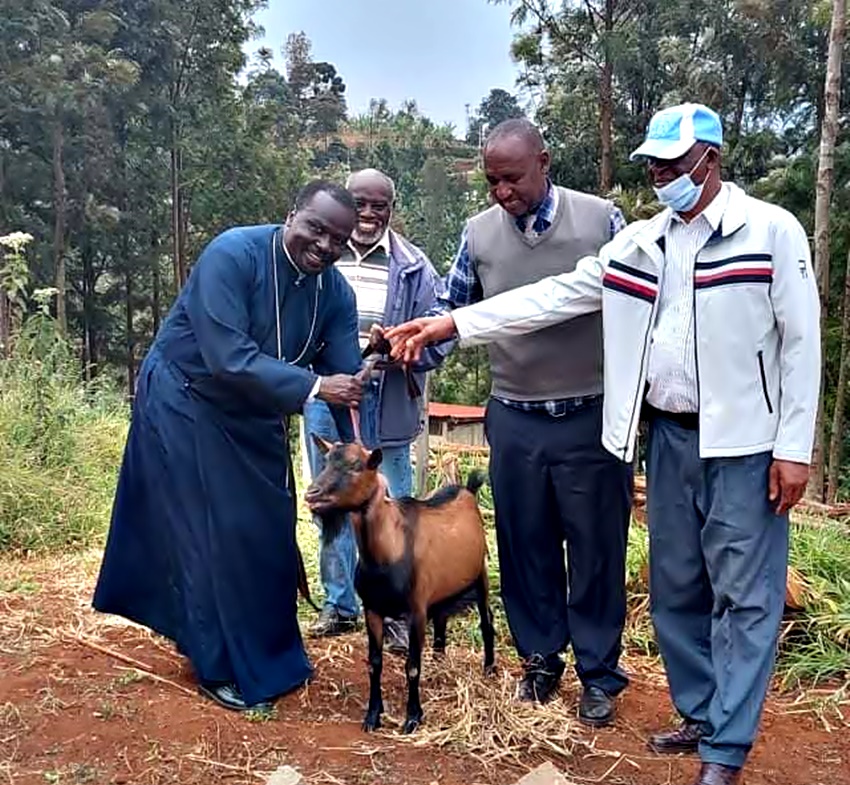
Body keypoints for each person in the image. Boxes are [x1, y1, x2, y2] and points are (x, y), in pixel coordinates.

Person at [387, 103, 820, 785]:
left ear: (709, 161)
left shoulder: (770, 232)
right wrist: (453, 323)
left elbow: (801, 344)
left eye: (671, 165)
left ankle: (726, 750)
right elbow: (552, 296)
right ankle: (700, 712)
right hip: (671, 438)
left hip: (745, 444)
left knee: (743, 595)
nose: (659, 176)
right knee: (678, 583)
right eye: (652, 165)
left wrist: (794, 450)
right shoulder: (643, 243)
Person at [93, 181, 366, 713]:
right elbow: (227, 357)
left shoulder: (336, 293)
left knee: (266, 527)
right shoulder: (233, 253)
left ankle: (272, 655)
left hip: (256, 409)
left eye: (338, 239)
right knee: (208, 531)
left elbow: (342, 373)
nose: (324, 245)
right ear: (291, 216)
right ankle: (217, 665)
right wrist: (314, 387)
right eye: (316, 228)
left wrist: (355, 437)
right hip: (187, 396)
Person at [425, 118, 633, 727]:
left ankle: (599, 674)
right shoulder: (479, 234)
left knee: (597, 550)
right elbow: (451, 307)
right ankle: (540, 662)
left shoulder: (601, 220)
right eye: (491, 180)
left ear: (544, 162)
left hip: (591, 415)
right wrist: (415, 344)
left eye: (512, 178)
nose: (501, 192)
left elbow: (635, 305)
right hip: (514, 416)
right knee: (524, 545)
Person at [304, 168, 450, 653]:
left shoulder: (413, 265)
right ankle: (340, 605)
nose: (368, 214)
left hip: (387, 405)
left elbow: (437, 340)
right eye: (360, 203)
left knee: (395, 509)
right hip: (330, 403)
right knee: (331, 505)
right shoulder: (325, 250)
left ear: (392, 207)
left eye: (378, 205)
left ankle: (400, 611)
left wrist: (401, 349)